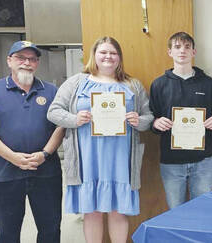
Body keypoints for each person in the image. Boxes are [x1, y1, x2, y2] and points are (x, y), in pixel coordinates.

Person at [47, 36, 153, 243]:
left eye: (113, 53)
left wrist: (137, 120)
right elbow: (53, 112)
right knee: (92, 211)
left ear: (119, 58)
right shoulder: (77, 82)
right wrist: (74, 119)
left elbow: (149, 118)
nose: (108, 57)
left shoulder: (132, 85)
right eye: (103, 52)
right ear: (94, 55)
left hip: (120, 159)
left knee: (118, 211)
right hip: (88, 159)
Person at [0, 41, 64, 243]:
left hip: (45, 172)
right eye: (20, 58)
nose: (26, 63)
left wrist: (45, 154)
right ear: (9, 61)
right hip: (5, 173)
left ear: (37, 63)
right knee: (7, 232)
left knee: (50, 228)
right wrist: (12, 157)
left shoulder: (51, 91)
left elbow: (61, 126)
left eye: (32, 59)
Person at [149, 32, 212, 208]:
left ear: (194, 52)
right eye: (177, 47)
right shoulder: (159, 84)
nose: (182, 50)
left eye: (187, 47)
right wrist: (155, 123)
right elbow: (151, 117)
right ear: (170, 52)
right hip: (171, 162)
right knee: (175, 212)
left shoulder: (207, 83)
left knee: (202, 211)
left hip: (203, 161)